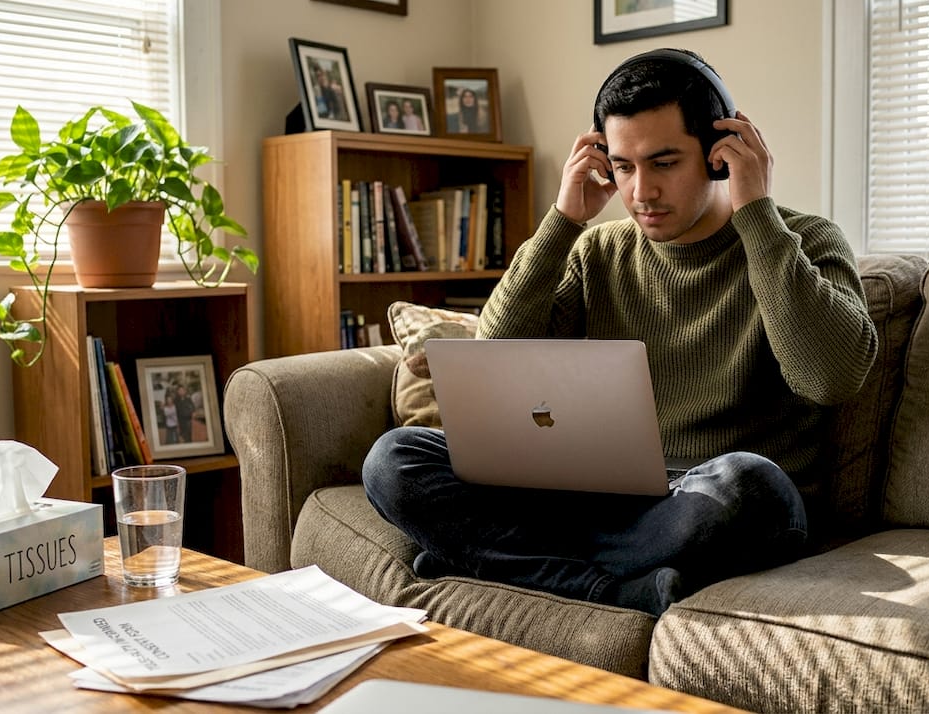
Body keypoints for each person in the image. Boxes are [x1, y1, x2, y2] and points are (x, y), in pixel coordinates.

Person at [363, 49, 877, 616]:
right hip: (595, 500)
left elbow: (829, 378)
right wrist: (563, 221)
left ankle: (498, 558)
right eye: (624, 167)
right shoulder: (597, 251)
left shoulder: (805, 240)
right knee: (395, 460)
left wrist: (755, 211)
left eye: (664, 163)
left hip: (703, 505)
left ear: (720, 155)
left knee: (751, 486)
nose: (641, 193)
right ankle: (608, 590)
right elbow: (495, 360)